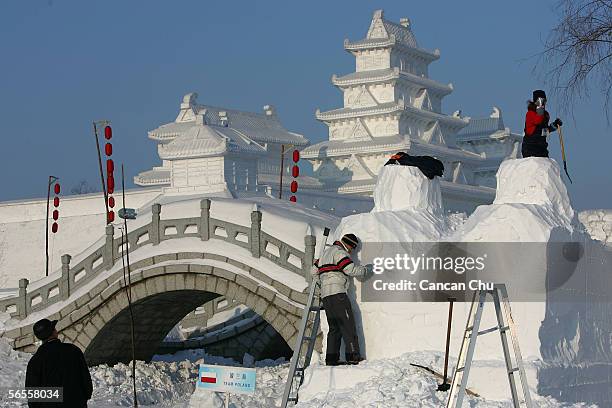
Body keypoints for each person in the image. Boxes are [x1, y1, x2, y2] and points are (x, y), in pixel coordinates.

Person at [312, 233, 371, 366]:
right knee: (347, 325)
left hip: (326, 297)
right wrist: (365, 270)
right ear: (349, 245)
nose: (352, 251)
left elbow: (313, 271)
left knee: (334, 328)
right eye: (353, 248)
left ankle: (332, 359)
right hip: (338, 294)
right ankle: (353, 357)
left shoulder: (325, 254)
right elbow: (349, 269)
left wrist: (322, 283)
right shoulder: (340, 252)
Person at [25, 318, 93, 407]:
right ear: (54, 332)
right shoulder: (73, 350)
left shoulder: (36, 360)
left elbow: (32, 394)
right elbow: (86, 381)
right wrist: (83, 398)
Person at [522, 89, 563, 158]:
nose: (543, 103)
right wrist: (540, 107)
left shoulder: (545, 114)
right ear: (536, 101)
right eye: (541, 100)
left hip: (542, 147)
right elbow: (537, 121)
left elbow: (545, 131)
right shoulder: (530, 113)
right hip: (530, 148)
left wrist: (555, 125)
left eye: (544, 100)